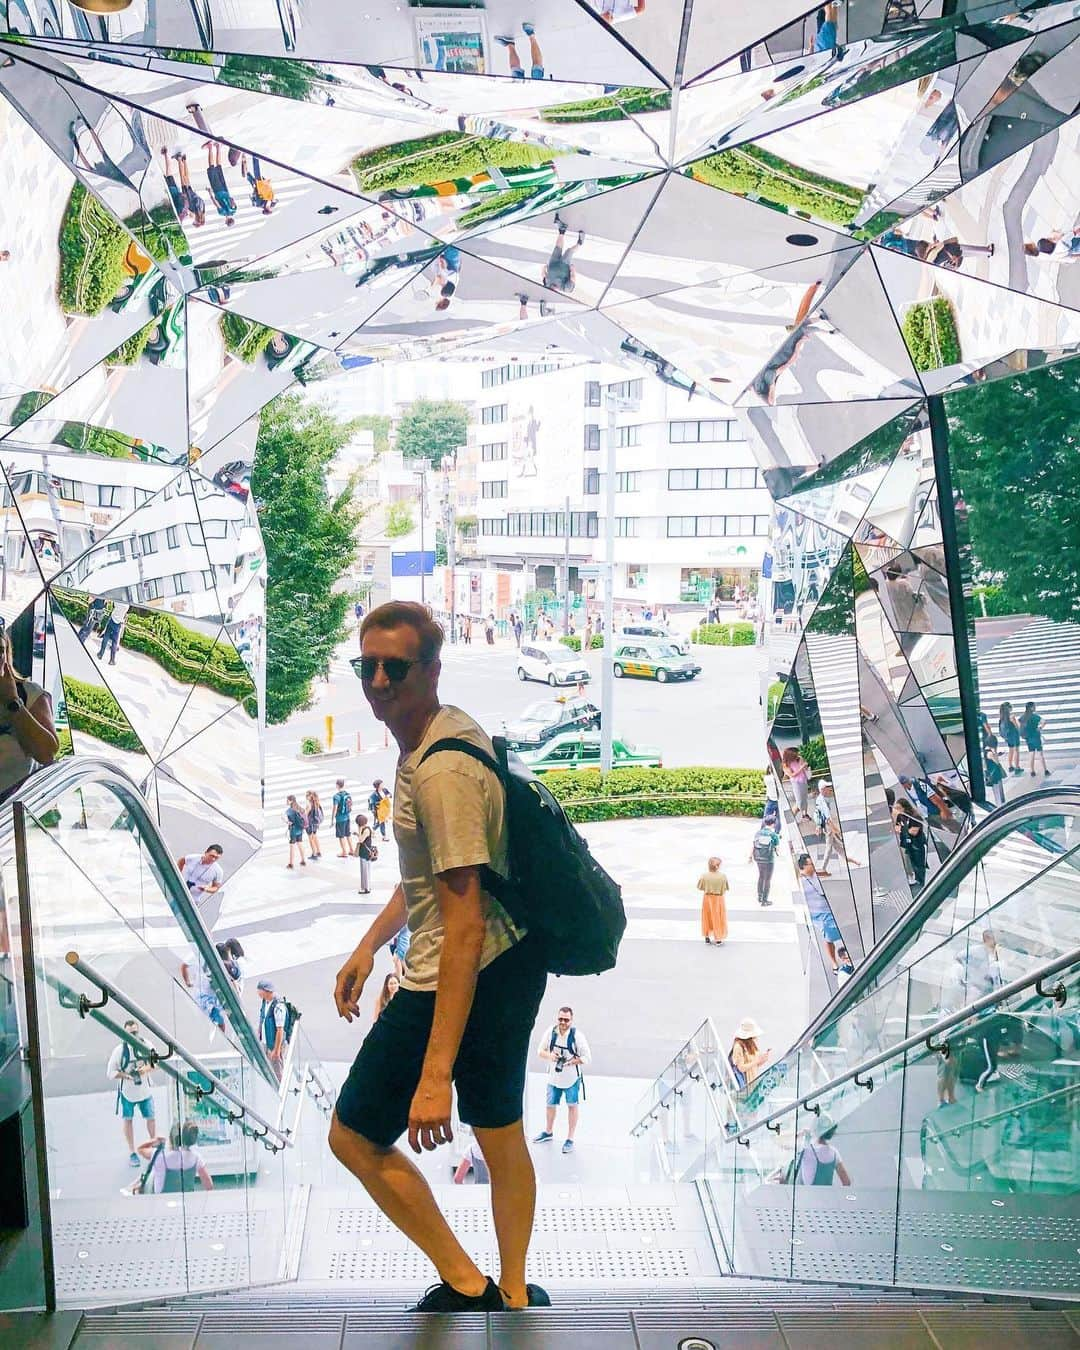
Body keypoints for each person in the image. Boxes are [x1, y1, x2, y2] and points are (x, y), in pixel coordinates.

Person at [329, 600, 549, 1313]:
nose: (381, 681)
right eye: (370, 666)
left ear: (431, 669)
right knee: (500, 1129)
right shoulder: (440, 734)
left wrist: (434, 1076)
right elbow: (431, 875)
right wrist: (367, 945)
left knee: (354, 1136)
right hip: (510, 960)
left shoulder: (438, 774)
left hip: (464, 968)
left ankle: (468, 1283)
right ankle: (513, 1295)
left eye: (398, 666)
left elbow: (460, 927)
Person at [0, 628, 59, 803]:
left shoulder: (30, 694)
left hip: (16, 809)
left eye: (0, 650)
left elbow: (46, 752)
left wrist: (13, 701)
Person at [533, 1007, 590, 1155]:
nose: (563, 1022)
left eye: (566, 1020)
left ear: (571, 1020)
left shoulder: (577, 1036)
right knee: (550, 1105)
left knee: (572, 1106)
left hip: (571, 1079)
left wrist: (571, 1062)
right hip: (553, 1078)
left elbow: (587, 1057)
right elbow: (540, 1051)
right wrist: (550, 1056)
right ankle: (548, 1131)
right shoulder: (551, 1033)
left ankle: (570, 1138)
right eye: (560, 1019)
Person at [107, 1020, 156, 1167]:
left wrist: (144, 1070)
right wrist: (127, 1076)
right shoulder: (119, 1052)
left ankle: (154, 1145)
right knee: (128, 1119)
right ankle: (131, 1151)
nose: (133, 1036)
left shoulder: (147, 1045)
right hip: (127, 1093)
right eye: (129, 1033)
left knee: (151, 1118)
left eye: (135, 1032)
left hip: (145, 1090)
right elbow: (110, 1073)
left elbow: (156, 1062)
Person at [136, 1120, 213, 1194]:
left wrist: (156, 1140)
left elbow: (140, 1149)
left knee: (151, 1173)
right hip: (186, 1202)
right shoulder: (196, 1158)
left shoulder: (160, 1155)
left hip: (161, 1202)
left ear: (171, 1138)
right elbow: (209, 1186)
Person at [798, 853, 842, 971]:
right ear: (803, 867)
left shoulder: (816, 875)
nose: (813, 866)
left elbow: (827, 874)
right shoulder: (800, 881)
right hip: (817, 914)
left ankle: (844, 955)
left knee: (840, 932)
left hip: (829, 909)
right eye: (810, 864)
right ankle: (834, 963)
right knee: (828, 937)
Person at [815, 781, 860, 876]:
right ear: (822, 789)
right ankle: (822, 868)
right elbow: (828, 819)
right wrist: (836, 830)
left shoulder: (821, 799)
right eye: (827, 787)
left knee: (837, 846)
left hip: (827, 825)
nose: (829, 789)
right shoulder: (822, 801)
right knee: (829, 847)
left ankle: (849, 859)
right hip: (828, 826)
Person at [179, 948, 226, 1031]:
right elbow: (183, 966)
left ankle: (217, 1032)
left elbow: (184, 966)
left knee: (217, 1018)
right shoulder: (196, 955)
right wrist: (187, 982)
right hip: (206, 995)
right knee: (217, 1019)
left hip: (208, 994)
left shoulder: (197, 955)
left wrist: (187, 982)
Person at [798, 1118, 851, 1185]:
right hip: (827, 1195)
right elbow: (847, 1182)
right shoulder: (834, 1152)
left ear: (815, 1129)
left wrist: (802, 1134)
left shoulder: (806, 1150)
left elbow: (785, 1146)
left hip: (809, 1194)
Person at [541, 215, 584, 294]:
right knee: (569, 251)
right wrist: (572, 270)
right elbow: (573, 279)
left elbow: (543, 276)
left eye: (551, 288)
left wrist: (544, 268)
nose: (552, 288)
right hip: (564, 265)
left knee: (558, 246)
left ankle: (562, 230)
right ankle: (580, 243)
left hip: (553, 263)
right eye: (553, 290)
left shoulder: (547, 284)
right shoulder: (565, 289)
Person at [175, 844, 224, 909]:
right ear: (206, 853)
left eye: (216, 858)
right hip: (177, 891)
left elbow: (215, 888)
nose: (213, 859)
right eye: (211, 856)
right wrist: (178, 875)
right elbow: (181, 861)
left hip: (192, 900)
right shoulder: (193, 858)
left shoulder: (218, 871)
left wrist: (207, 889)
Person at [257, 979, 291, 1070]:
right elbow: (262, 1017)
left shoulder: (278, 1006)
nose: (258, 993)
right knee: (270, 1070)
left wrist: (276, 1051)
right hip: (267, 1043)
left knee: (278, 1072)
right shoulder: (265, 1001)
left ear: (266, 991)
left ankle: (280, 1084)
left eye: (260, 991)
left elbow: (280, 1030)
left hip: (274, 1046)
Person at [894, 797, 927, 888]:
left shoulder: (915, 817)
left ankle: (921, 881)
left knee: (918, 863)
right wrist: (904, 829)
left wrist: (903, 829)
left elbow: (914, 831)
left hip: (916, 843)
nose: (897, 810)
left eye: (899, 808)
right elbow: (896, 828)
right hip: (905, 842)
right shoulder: (900, 816)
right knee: (907, 861)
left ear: (905, 807)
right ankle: (911, 876)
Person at [697, 856, 729, 945]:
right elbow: (724, 889)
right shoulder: (722, 876)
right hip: (718, 899)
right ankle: (718, 938)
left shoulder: (704, 876)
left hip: (707, 898)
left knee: (707, 917)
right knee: (718, 917)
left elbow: (700, 887)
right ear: (717, 866)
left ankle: (707, 937)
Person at [749, 817, 781, 906]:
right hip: (769, 859)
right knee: (767, 879)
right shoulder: (773, 834)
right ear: (773, 824)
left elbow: (753, 845)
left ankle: (759, 896)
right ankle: (765, 900)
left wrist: (750, 856)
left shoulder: (758, 833)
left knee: (761, 876)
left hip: (758, 858)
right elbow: (777, 849)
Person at [729, 1018, 769, 1088]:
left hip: (752, 1083)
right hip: (745, 1085)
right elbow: (741, 1068)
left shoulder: (752, 1045)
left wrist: (763, 1059)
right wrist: (756, 1061)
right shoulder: (738, 1046)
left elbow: (754, 1065)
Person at [205, 141, 237, 225]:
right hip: (218, 191)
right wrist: (210, 193)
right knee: (211, 169)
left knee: (219, 167)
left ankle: (218, 147)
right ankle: (210, 147)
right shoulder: (222, 213)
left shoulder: (234, 210)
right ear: (226, 221)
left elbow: (232, 200)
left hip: (225, 190)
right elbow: (216, 203)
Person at [781, 746, 811, 822]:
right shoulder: (785, 764)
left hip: (803, 780)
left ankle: (804, 815)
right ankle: (791, 819)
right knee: (799, 802)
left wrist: (806, 767)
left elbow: (804, 768)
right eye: (796, 752)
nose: (798, 754)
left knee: (804, 799)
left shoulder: (799, 758)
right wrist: (801, 767)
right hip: (796, 783)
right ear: (790, 754)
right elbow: (792, 775)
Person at [1019, 700, 1048, 777]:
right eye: (1034, 706)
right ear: (1031, 708)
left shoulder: (1022, 717)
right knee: (1040, 754)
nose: (1035, 707)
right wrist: (1040, 727)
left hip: (1028, 738)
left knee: (1031, 754)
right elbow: (1044, 721)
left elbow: (1020, 726)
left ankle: (1032, 771)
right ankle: (1045, 770)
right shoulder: (1034, 716)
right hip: (1036, 737)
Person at [97, 599, 128, 665]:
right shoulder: (127, 605)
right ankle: (112, 660)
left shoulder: (118, 601)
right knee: (114, 642)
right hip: (118, 623)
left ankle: (100, 654)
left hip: (112, 619)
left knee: (106, 636)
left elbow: (113, 604)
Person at [998, 702, 1022, 775]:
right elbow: (1017, 726)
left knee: (1011, 750)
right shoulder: (1011, 717)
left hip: (1008, 737)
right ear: (1008, 708)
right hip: (1014, 735)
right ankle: (1017, 767)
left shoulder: (1001, 718)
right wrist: (1015, 721)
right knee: (1016, 751)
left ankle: (1010, 766)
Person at [355, 811, 375, 894]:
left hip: (364, 852)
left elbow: (361, 840)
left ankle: (365, 888)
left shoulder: (365, 830)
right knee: (367, 869)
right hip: (368, 851)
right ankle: (367, 886)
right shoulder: (368, 828)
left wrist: (358, 833)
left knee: (364, 870)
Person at [285, 794, 307, 869]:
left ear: (291, 801)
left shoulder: (290, 811)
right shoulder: (299, 808)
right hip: (300, 829)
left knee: (292, 846)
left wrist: (288, 822)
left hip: (293, 830)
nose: (286, 801)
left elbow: (290, 821)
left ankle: (291, 864)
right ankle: (303, 860)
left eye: (287, 800)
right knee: (300, 844)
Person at [333, 779, 353, 857]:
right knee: (348, 834)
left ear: (337, 785)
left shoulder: (336, 796)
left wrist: (332, 819)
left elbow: (335, 808)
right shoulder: (347, 794)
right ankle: (351, 849)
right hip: (347, 816)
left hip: (340, 819)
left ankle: (344, 852)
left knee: (341, 836)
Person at [306, 790, 324, 860]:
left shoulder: (309, 804)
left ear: (310, 796)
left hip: (310, 824)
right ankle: (318, 851)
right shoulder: (317, 802)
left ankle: (314, 853)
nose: (306, 797)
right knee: (315, 837)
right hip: (316, 823)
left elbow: (305, 815)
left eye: (307, 795)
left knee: (311, 839)